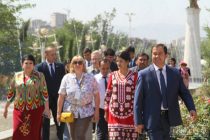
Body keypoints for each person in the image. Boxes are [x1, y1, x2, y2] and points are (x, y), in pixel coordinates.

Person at [134, 43, 197, 140]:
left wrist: (191, 108)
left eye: (160, 53)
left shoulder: (175, 73)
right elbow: (137, 101)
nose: (157, 56)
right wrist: (138, 121)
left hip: (169, 118)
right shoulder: (143, 74)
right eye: (154, 54)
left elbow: (184, 93)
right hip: (152, 120)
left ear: (166, 55)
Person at [3, 54, 50, 140]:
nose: (28, 65)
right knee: (17, 132)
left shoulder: (40, 76)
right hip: (19, 111)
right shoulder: (16, 76)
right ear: (22, 64)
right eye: (26, 63)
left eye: (30, 63)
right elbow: (11, 93)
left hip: (35, 111)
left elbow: (44, 94)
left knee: (34, 134)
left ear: (34, 65)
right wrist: (6, 108)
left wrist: (46, 109)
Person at [57, 55, 100, 140]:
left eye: (80, 62)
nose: (77, 64)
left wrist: (97, 111)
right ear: (72, 65)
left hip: (86, 111)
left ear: (83, 64)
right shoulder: (66, 78)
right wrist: (58, 113)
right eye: (75, 62)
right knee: (73, 136)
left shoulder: (90, 77)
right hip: (70, 111)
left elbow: (96, 95)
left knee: (80, 135)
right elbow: (61, 96)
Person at [104, 50, 138, 139]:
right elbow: (108, 94)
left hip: (131, 116)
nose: (118, 63)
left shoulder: (135, 76)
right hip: (114, 115)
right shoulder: (112, 75)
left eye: (121, 61)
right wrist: (106, 110)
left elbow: (138, 96)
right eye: (117, 61)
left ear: (127, 62)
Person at [36, 46, 65, 140]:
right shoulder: (39, 68)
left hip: (58, 100)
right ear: (46, 55)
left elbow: (64, 83)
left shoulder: (60, 66)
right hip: (45, 102)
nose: (54, 56)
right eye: (52, 54)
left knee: (60, 123)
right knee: (45, 125)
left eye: (55, 54)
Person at [95, 59, 110, 140]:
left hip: (111, 109)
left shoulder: (112, 77)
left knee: (109, 131)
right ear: (99, 67)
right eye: (103, 68)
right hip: (100, 108)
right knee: (101, 132)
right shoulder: (95, 78)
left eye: (107, 68)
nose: (105, 70)